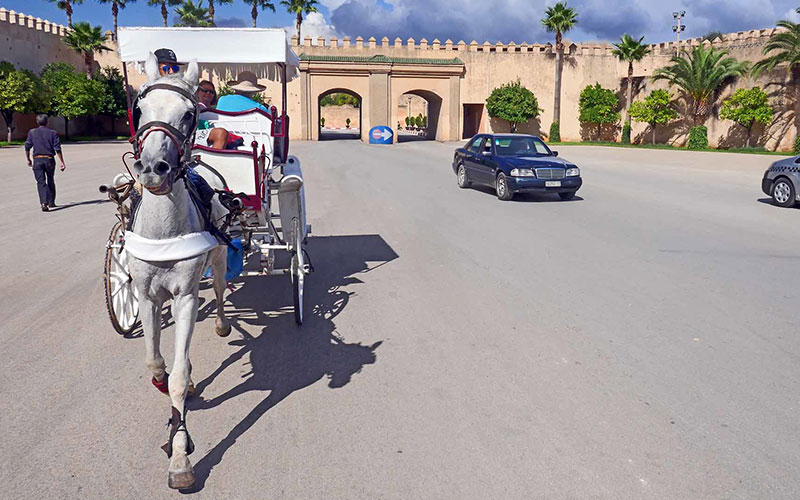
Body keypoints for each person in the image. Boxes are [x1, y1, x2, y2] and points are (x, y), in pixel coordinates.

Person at [25, 114, 66, 212]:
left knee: (41, 182)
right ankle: (51, 202)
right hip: (49, 159)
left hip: (37, 160)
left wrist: (28, 159)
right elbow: (57, 148)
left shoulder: (32, 132)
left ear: (37, 122)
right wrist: (62, 162)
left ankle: (44, 203)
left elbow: (27, 147)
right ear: (47, 122)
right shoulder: (53, 133)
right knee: (50, 180)